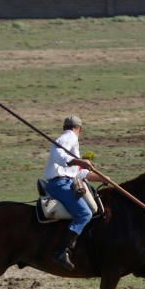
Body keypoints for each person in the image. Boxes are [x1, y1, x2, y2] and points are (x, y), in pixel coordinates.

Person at [43, 115, 106, 270]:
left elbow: (76, 173)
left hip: (66, 182)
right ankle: (61, 251)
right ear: (79, 129)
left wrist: (102, 178)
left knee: (93, 208)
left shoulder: (70, 141)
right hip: (60, 184)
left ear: (64, 126)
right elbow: (58, 155)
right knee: (84, 214)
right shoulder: (69, 137)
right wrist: (79, 161)